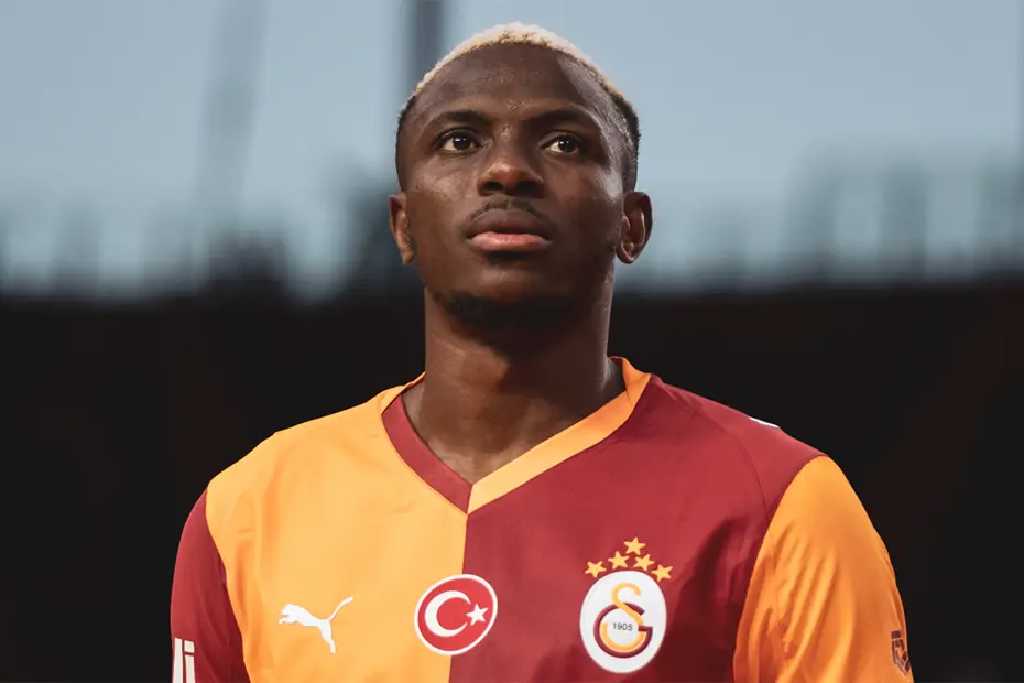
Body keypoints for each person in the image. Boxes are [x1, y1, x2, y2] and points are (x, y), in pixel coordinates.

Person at [171, 22, 913, 682]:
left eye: (564, 143)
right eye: (459, 141)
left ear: (632, 225)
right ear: (403, 225)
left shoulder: (781, 503)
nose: (507, 171)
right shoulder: (247, 512)